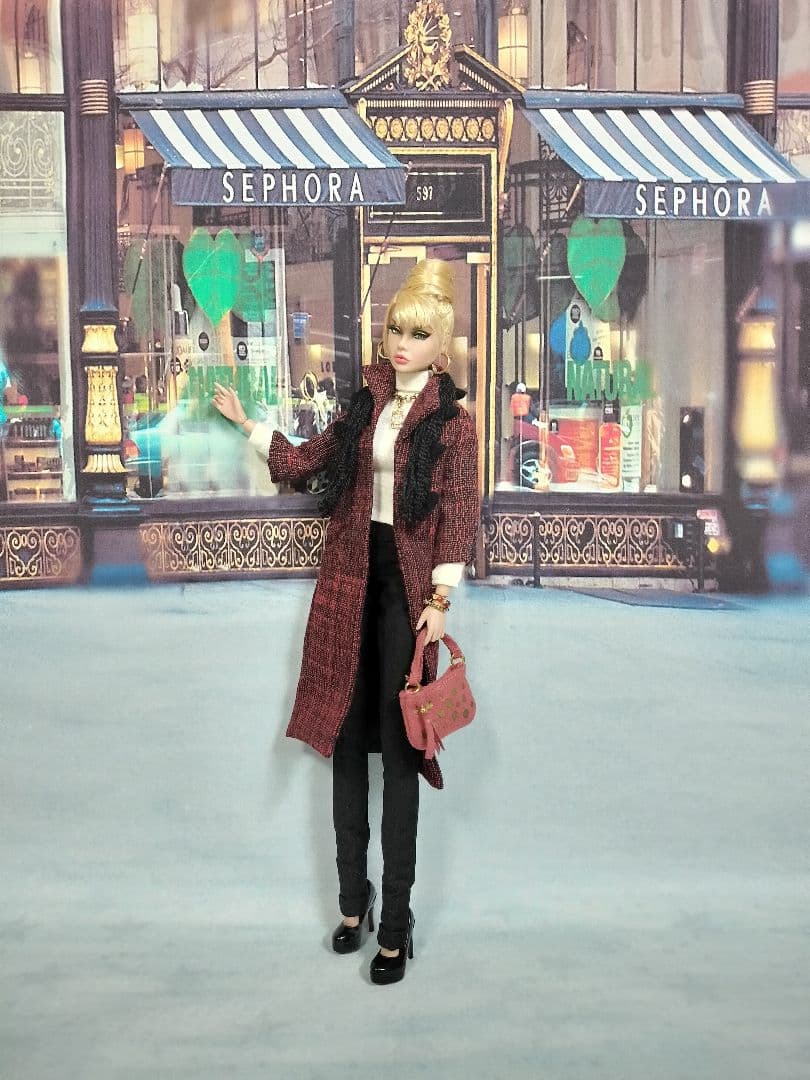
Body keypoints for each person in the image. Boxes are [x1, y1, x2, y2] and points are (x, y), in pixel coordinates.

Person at [211, 260, 480, 985]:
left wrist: (439, 601)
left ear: (441, 346)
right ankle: (353, 906)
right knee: (347, 743)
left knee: (400, 754)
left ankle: (396, 923)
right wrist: (249, 425)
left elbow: (461, 513)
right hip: (348, 582)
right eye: (396, 329)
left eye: (417, 334)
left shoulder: (454, 423)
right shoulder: (367, 403)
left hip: (407, 594)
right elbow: (309, 460)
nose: (401, 343)